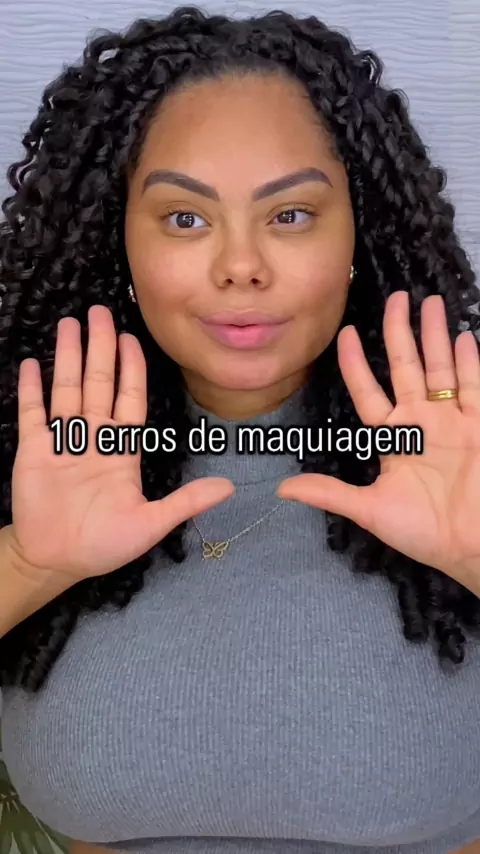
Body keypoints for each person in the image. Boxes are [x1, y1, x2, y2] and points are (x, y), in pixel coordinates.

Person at [1, 5, 480, 854]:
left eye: (290, 214)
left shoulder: (462, 446)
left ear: (359, 234)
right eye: (184, 218)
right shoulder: (36, 451)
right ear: (120, 244)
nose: (241, 265)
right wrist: (29, 565)